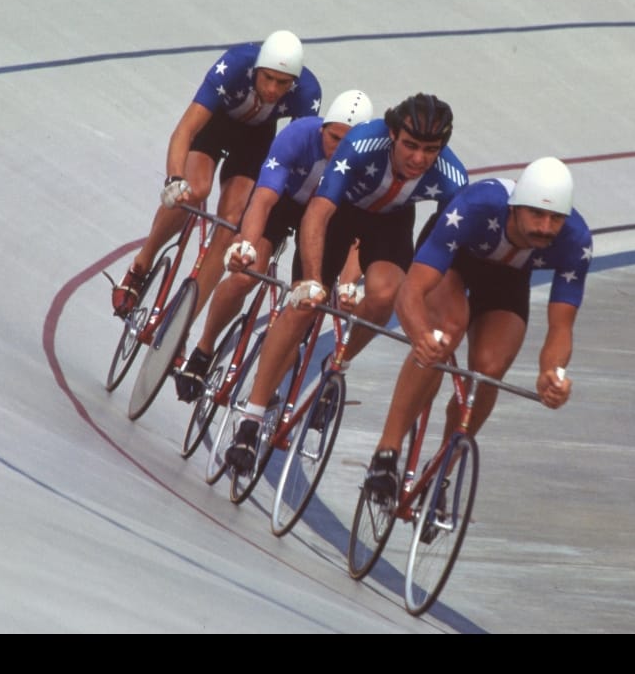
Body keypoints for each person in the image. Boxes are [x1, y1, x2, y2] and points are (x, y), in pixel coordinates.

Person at [224, 93, 470, 471]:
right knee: (303, 306)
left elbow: (434, 254)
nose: (419, 159)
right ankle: (252, 416)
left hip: (391, 222)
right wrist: (310, 280)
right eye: (411, 146)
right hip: (341, 212)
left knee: (387, 293)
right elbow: (319, 214)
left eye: (431, 149)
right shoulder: (362, 144)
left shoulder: (453, 179)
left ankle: (338, 362)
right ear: (392, 135)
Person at [362, 156, 593, 505]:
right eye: (537, 215)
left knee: (489, 370)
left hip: (508, 280)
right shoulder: (476, 206)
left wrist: (552, 373)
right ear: (514, 208)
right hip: (454, 262)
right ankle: (386, 452)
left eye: (555, 218)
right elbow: (411, 291)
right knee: (446, 330)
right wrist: (421, 335)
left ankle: (442, 471)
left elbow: (561, 326)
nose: (546, 227)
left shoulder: (576, 241)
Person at [173, 89, 374, 402]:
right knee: (243, 276)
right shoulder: (298, 135)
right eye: (334, 138)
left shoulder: (365, 166)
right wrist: (247, 245)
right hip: (281, 205)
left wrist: (347, 283)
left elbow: (358, 235)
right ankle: (203, 350)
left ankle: (258, 399)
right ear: (323, 128)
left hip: (326, 225)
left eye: (347, 145)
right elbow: (263, 200)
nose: (338, 150)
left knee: (303, 312)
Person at [111, 30, 322, 323]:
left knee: (231, 222)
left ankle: (179, 325)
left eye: (282, 83)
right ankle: (141, 264)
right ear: (256, 70)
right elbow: (185, 130)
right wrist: (174, 179)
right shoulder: (235, 65)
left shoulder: (308, 94)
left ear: (294, 82)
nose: (273, 89)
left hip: (256, 139)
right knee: (194, 190)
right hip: (217, 123)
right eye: (267, 78)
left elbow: (294, 156)